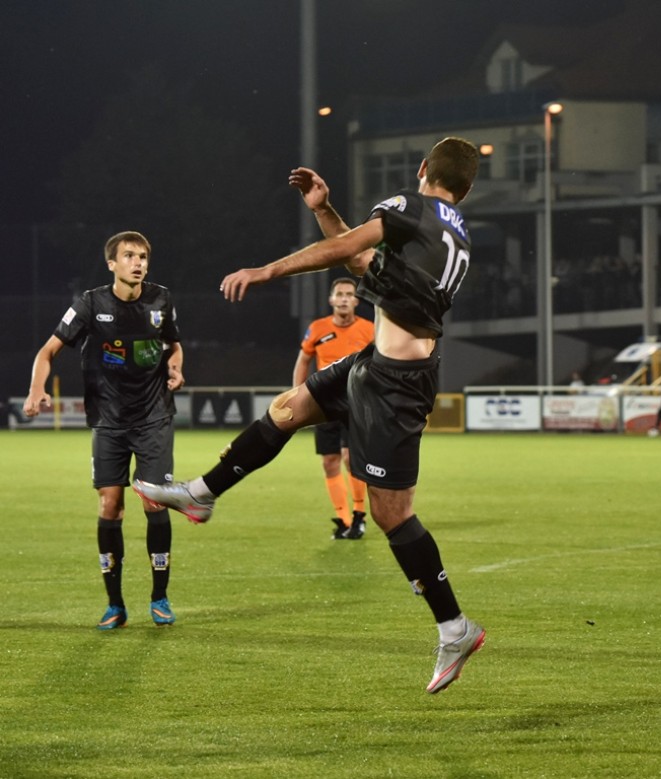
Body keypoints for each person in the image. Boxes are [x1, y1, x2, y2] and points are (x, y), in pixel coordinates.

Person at [134, 137, 485, 694]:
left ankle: (454, 626)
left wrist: (266, 271)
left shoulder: (411, 206)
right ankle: (201, 493)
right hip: (380, 364)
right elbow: (360, 258)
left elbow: (345, 249)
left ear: (423, 169)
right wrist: (323, 209)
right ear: (466, 188)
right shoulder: (454, 232)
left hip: (397, 385)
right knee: (289, 407)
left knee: (392, 515)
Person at [23, 231, 184, 630]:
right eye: (129, 256)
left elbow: (173, 344)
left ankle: (159, 597)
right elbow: (47, 351)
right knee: (110, 506)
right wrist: (36, 389)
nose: (138, 262)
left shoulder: (161, 299)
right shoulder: (91, 304)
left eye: (142, 256)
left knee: (155, 502)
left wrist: (176, 366)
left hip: (154, 418)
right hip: (108, 421)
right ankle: (115, 605)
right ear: (112, 264)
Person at [293, 276, 374, 540]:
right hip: (324, 403)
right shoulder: (317, 328)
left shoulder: (370, 330)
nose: (343, 299)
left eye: (349, 294)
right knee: (329, 462)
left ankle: (359, 515)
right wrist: (298, 394)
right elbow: (303, 360)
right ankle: (343, 519)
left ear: (356, 301)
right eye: (339, 294)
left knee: (351, 459)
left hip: (356, 403)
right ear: (331, 299)